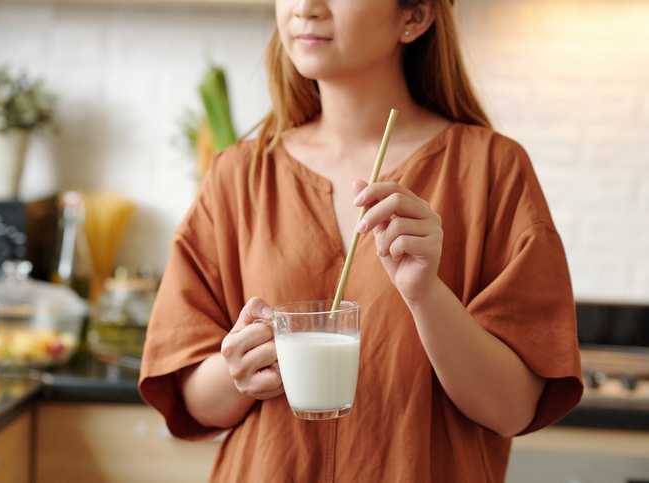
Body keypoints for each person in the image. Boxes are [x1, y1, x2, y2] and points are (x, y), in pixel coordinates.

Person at [139, 0, 584, 481]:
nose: (306, 7)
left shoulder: (493, 170)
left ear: (414, 17)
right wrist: (238, 373)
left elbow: (512, 409)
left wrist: (425, 294)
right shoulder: (238, 175)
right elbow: (193, 401)